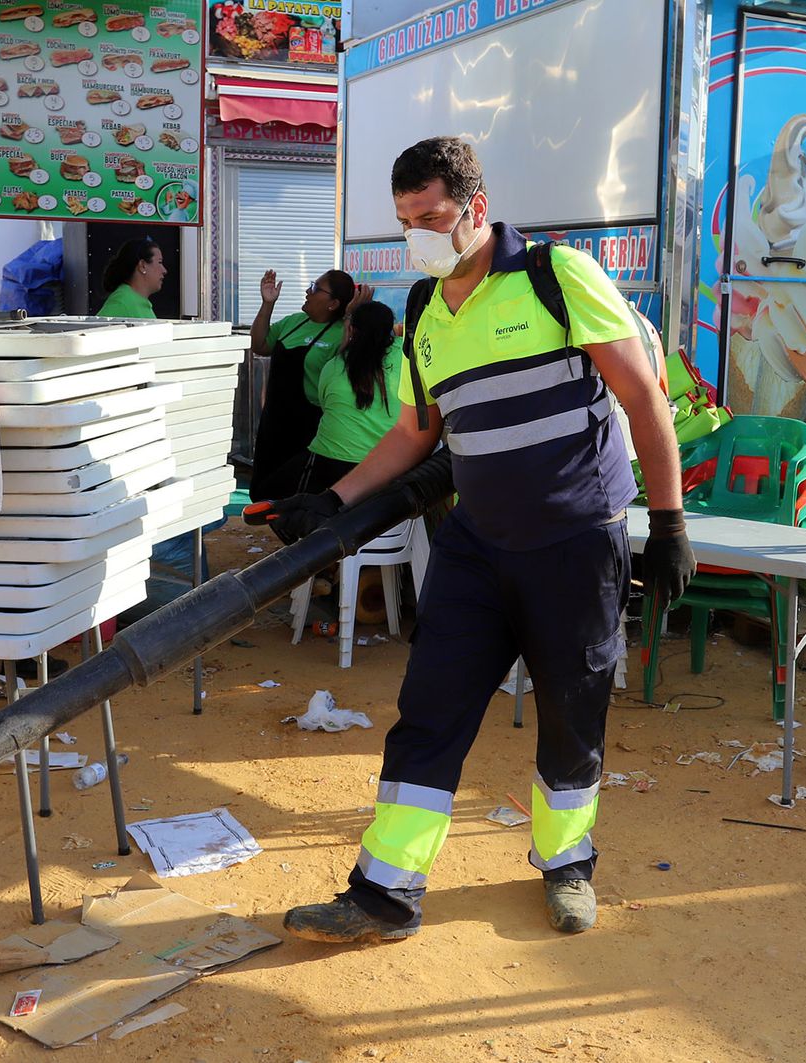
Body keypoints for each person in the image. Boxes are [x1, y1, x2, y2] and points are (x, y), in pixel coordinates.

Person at [262, 136, 695, 942]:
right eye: (405, 221)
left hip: (574, 542)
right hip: (476, 547)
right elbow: (413, 433)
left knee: (571, 714)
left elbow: (643, 397)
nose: (417, 235)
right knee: (429, 708)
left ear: (477, 209)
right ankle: (385, 892)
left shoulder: (558, 278)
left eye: (431, 217)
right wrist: (332, 497)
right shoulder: (423, 311)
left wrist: (667, 524)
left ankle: (567, 864)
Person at [255, 299, 404, 498]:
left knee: (267, 492)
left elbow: (323, 404)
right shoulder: (406, 356)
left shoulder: (334, 366)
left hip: (330, 460)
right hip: (390, 461)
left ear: (351, 330)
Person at [247, 268, 357, 501]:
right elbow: (259, 345)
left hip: (308, 428)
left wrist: (350, 319)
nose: (308, 291)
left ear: (333, 304)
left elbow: (343, 372)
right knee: (262, 490)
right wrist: (267, 304)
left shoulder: (341, 334)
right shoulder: (294, 322)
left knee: (294, 494)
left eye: (316, 288)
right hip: (273, 422)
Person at [97, 237, 165, 318]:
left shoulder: (140, 303)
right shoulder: (121, 302)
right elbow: (97, 326)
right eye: (159, 262)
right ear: (142, 266)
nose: (164, 270)